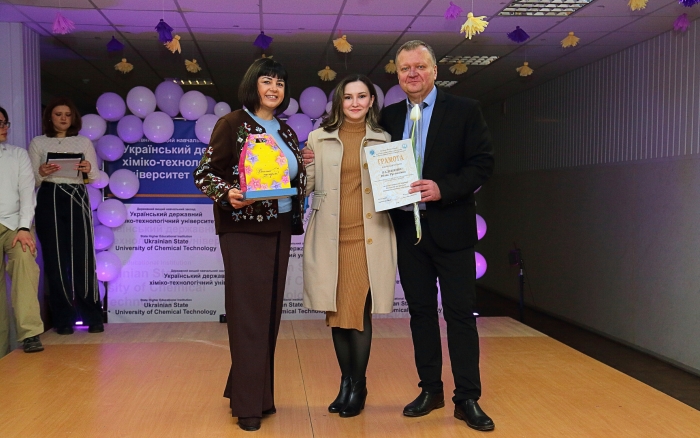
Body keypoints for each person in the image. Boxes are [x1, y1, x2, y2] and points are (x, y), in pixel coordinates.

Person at [381, 40, 495, 431]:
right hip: (407, 232)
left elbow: (482, 164)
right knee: (421, 315)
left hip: (452, 229)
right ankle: (430, 390)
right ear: (397, 75)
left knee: (460, 315)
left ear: (434, 70)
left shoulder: (465, 110)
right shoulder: (388, 117)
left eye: (420, 66)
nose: (412, 73)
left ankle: (467, 398)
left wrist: (443, 188)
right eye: (405, 68)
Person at [193, 57, 306, 432]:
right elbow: (204, 173)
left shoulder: (287, 132)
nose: (274, 88)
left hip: (280, 227)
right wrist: (227, 193)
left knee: (269, 316)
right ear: (252, 85)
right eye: (266, 81)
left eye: (280, 83)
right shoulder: (233, 124)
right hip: (243, 229)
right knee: (248, 317)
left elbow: (292, 177)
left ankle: (256, 394)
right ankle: (248, 406)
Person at [302, 75, 397, 418]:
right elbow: (306, 186)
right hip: (329, 238)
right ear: (339, 102)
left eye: (362, 96)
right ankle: (346, 382)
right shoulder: (318, 138)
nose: (355, 103)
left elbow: (393, 189)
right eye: (348, 97)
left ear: (371, 101)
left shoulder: (385, 140)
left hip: (367, 239)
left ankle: (358, 385)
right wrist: (300, 166)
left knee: (357, 314)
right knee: (336, 315)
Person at [28, 98, 102, 336]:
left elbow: (95, 177)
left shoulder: (83, 141)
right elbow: (31, 181)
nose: (63, 118)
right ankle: (63, 319)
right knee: (55, 260)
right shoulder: (38, 142)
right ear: (50, 117)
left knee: (83, 258)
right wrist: (41, 171)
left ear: (73, 118)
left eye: (67, 114)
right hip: (48, 197)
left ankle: (92, 316)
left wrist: (87, 169)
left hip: (77, 196)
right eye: (58, 114)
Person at [0, 106, 44, 355]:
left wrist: (25, 226)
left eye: (5, 123)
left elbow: (28, 192)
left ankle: (30, 334)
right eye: (0, 123)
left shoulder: (17, 155)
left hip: (16, 225)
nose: (4, 128)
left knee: (25, 260)